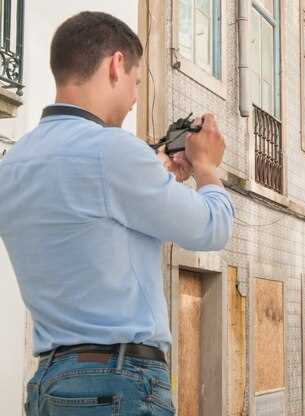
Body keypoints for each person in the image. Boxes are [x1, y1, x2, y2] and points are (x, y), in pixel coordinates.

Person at [0, 11, 234, 415]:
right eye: (137, 82)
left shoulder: (14, 162)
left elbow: (89, 216)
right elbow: (211, 229)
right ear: (115, 64)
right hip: (118, 383)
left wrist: (155, 172)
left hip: (50, 385)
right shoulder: (113, 150)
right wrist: (208, 168)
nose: (136, 97)